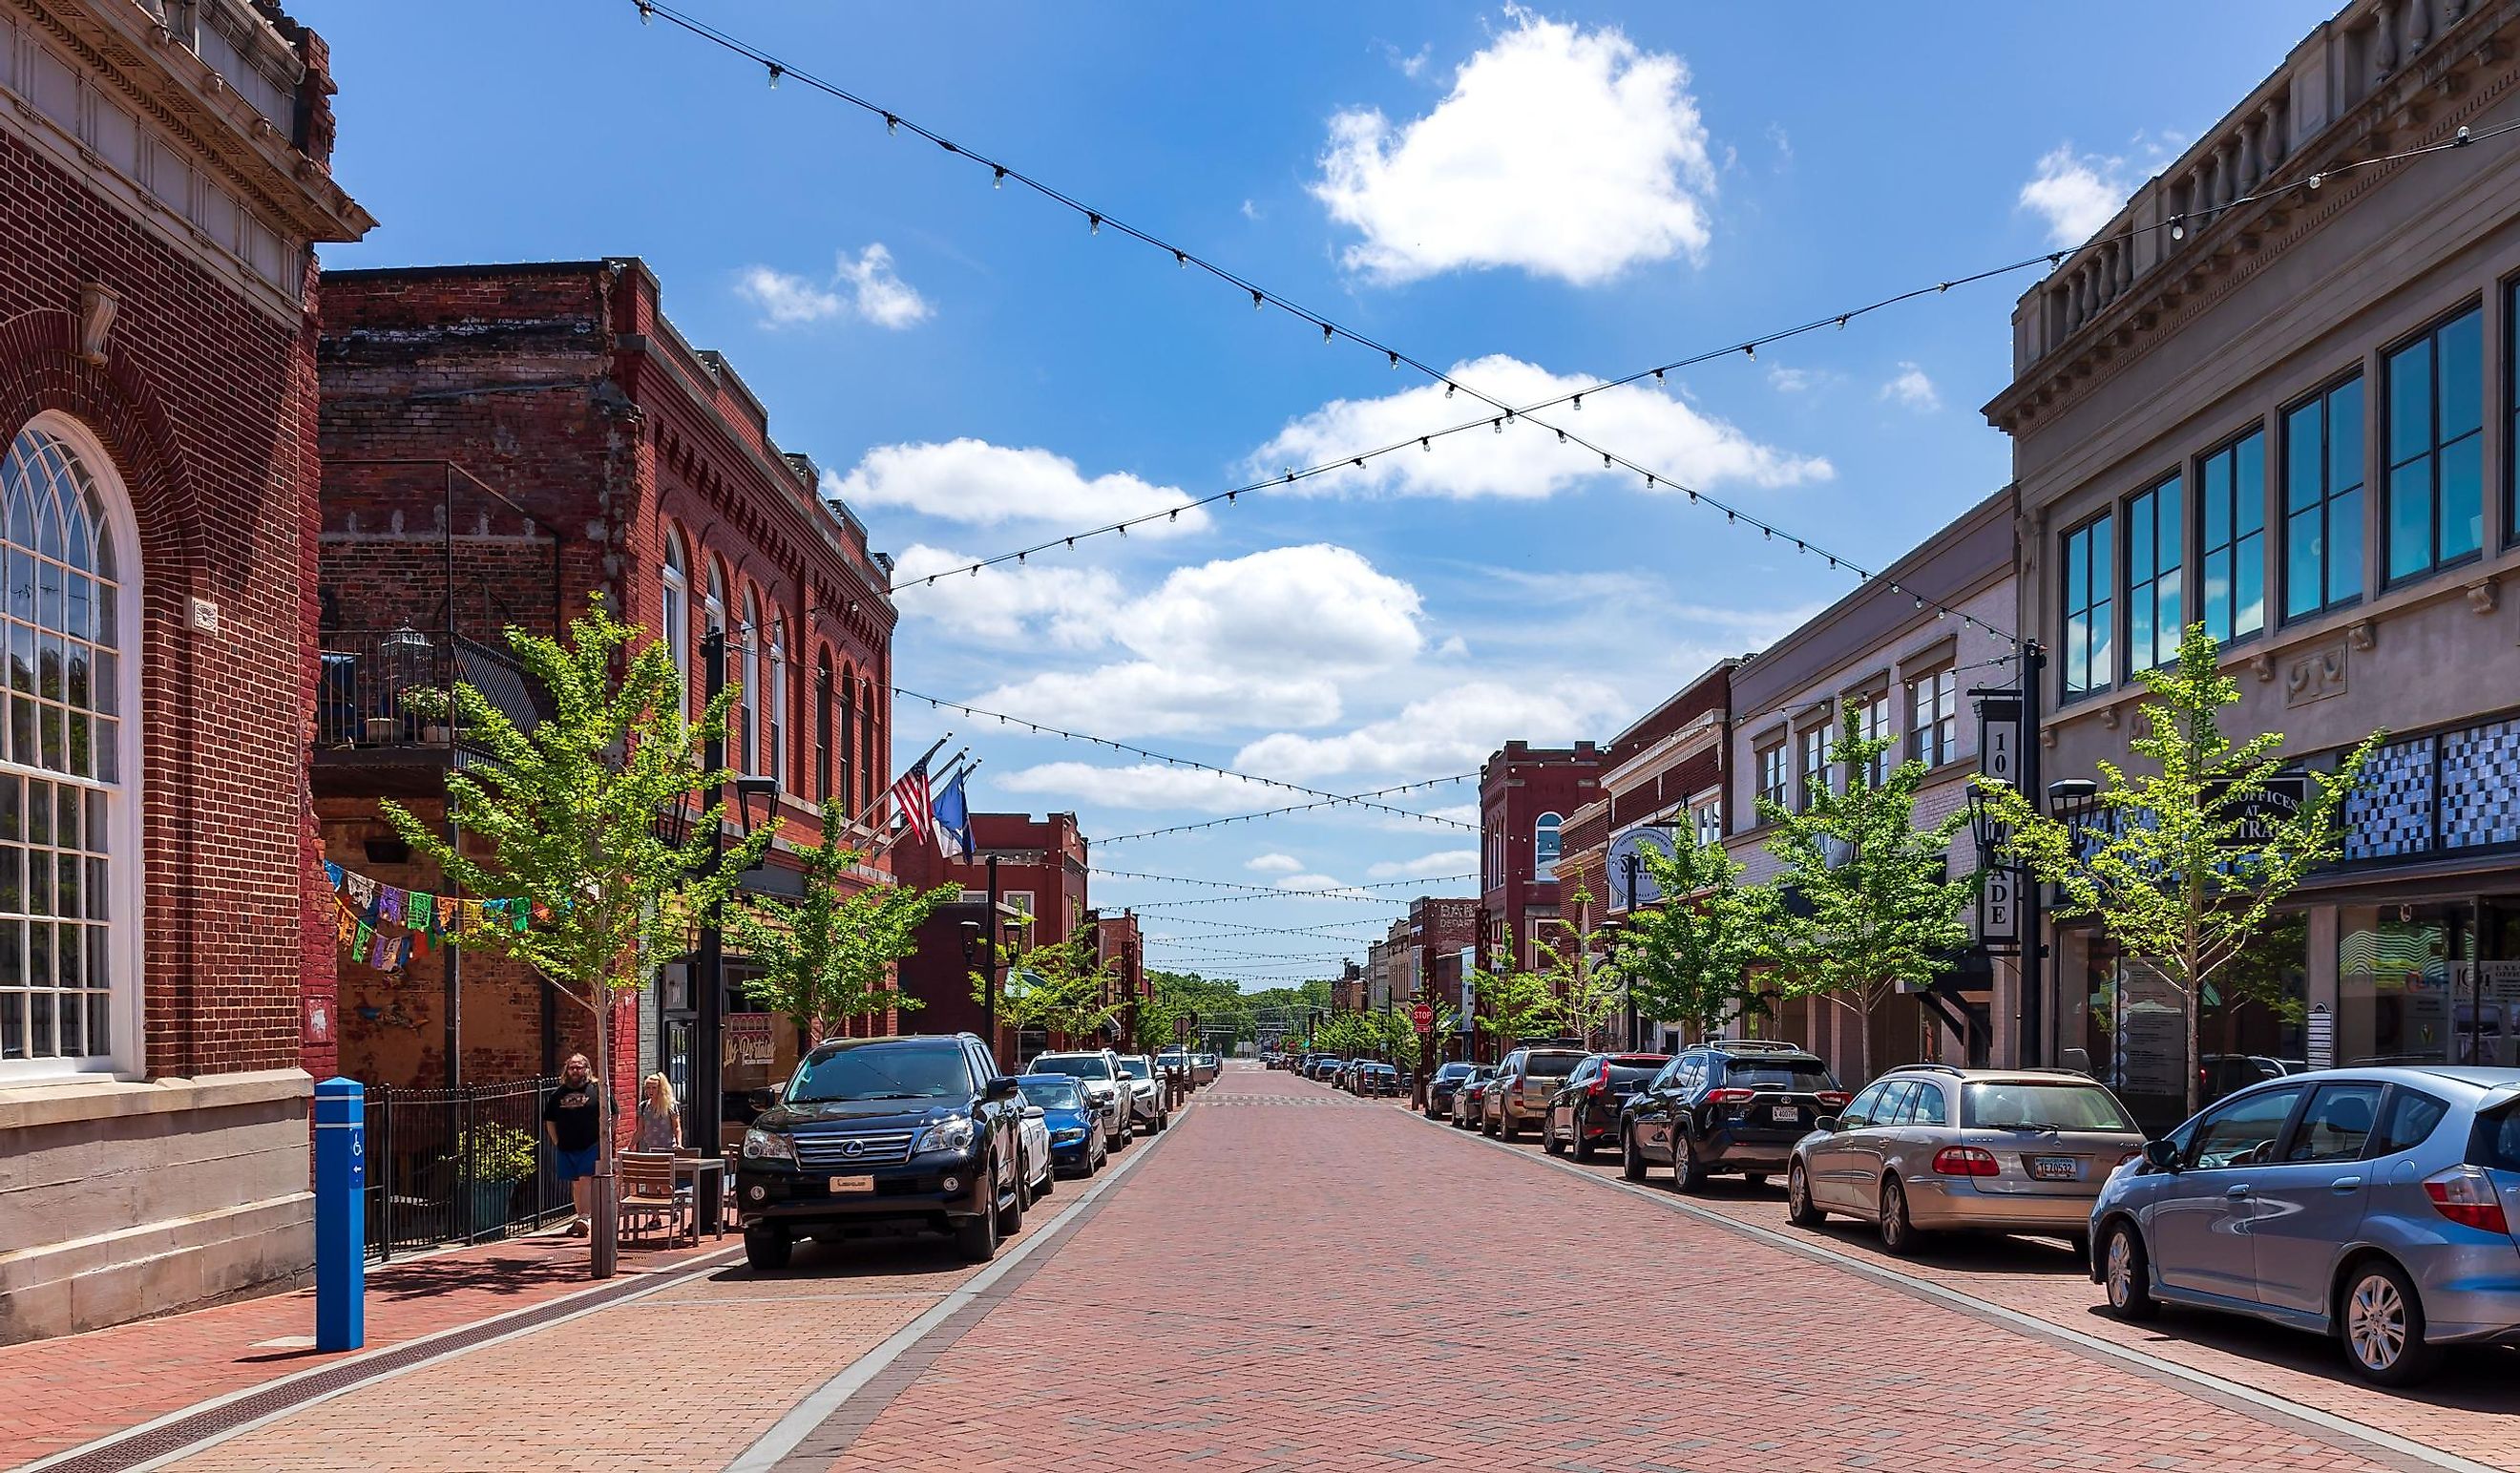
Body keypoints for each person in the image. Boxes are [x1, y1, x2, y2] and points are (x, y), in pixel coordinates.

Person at [543, 1053, 603, 1236]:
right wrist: (556, 1141)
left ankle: (585, 1217)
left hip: (591, 1144)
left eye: (579, 1067)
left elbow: (613, 1114)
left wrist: (604, 1137)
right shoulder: (559, 1093)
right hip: (567, 1146)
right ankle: (580, 1217)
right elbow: (550, 1120)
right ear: (567, 1070)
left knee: (586, 1179)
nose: (575, 1071)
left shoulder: (597, 1089)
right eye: (572, 1067)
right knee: (576, 1183)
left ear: (586, 1069)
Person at [635, 1072, 681, 1152]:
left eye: (654, 1088)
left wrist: (679, 1144)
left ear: (660, 1089)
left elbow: (676, 1127)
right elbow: (640, 1130)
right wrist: (629, 1146)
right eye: (648, 1088)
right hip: (648, 1150)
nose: (651, 1091)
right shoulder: (643, 1106)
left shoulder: (670, 1105)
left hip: (667, 1150)